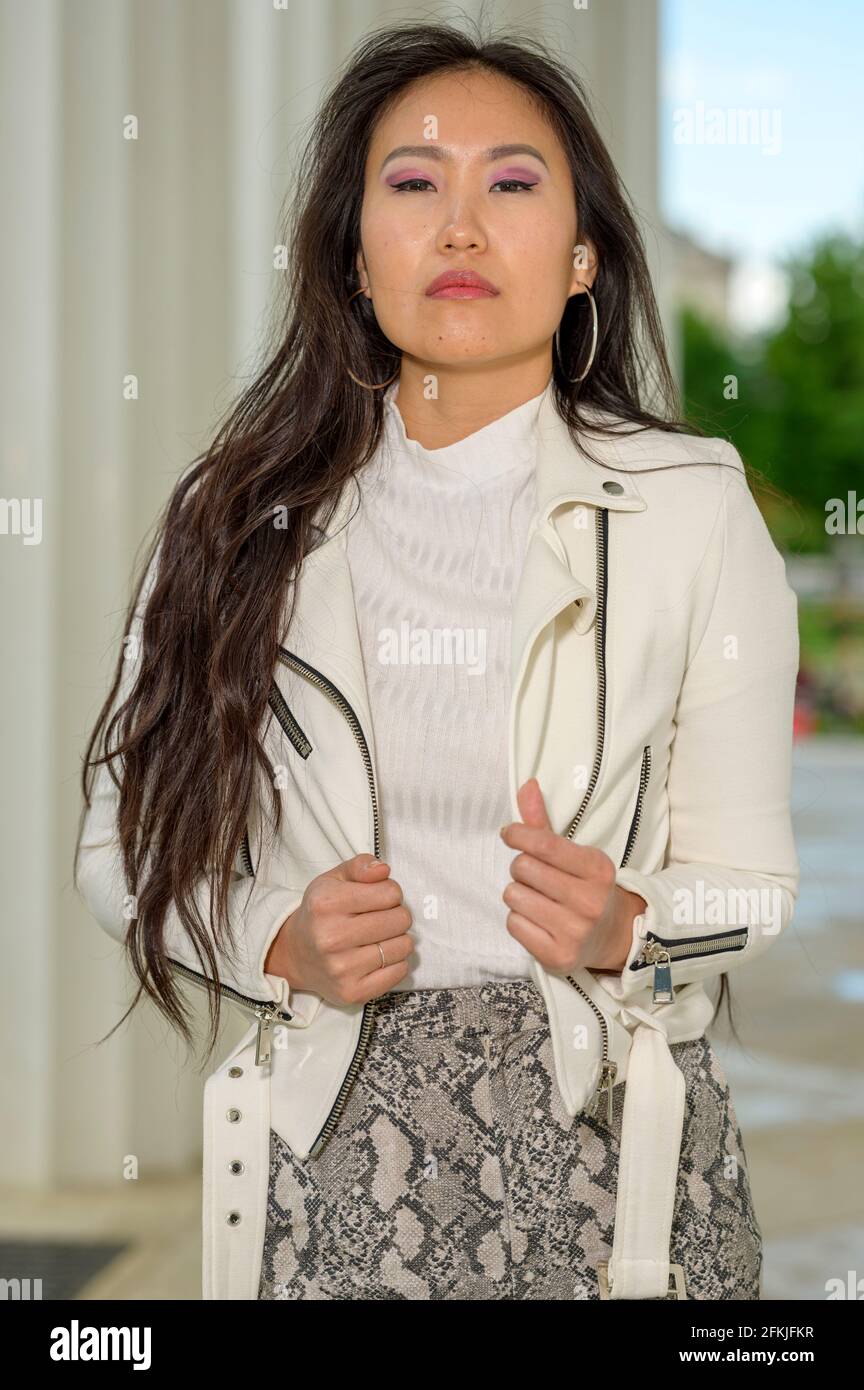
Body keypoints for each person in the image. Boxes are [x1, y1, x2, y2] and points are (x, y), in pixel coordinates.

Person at [74, 19, 799, 1301]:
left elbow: (753, 893)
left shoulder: (692, 505)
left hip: (619, 1161)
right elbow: (122, 852)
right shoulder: (238, 520)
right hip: (334, 1155)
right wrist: (274, 939)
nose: (461, 229)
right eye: (413, 184)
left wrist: (633, 926)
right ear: (355, 254)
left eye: (512, 185)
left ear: (582, 257)